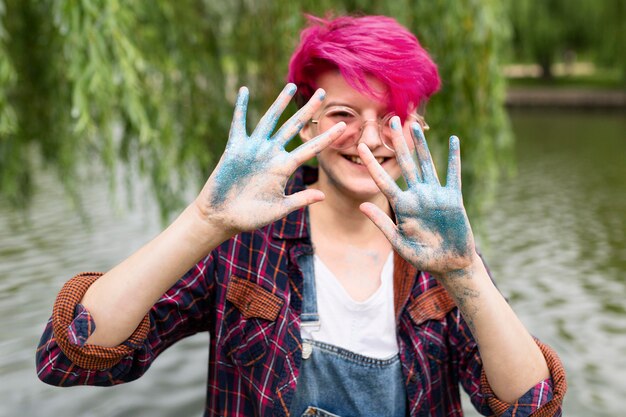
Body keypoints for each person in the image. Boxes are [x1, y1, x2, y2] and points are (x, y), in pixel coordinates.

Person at [36, 14, 566, 417]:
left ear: (416, 129)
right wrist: (204, 220)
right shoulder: (245, 241)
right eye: (343, 115)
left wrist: (466, 272)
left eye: (393, 118)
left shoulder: (441, 251)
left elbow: (532, 405)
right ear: (308, 125)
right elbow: (71, 355)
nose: (371, 139)